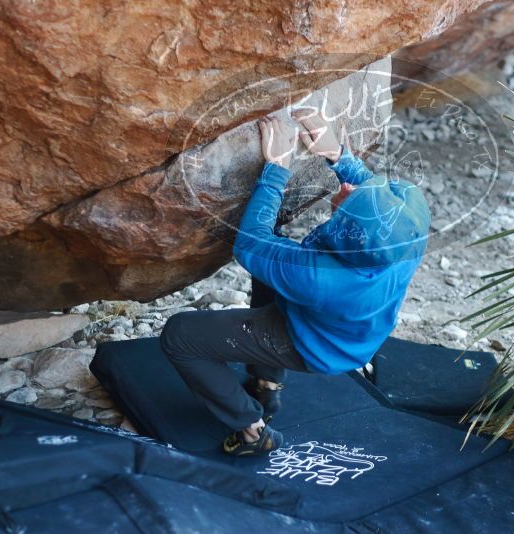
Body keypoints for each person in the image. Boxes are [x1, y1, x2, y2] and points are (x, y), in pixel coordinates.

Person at [160, 111, 430, 456]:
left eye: (349, 206)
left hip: (313, 344)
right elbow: (382, 205)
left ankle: (251, 430)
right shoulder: (406, 237)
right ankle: (266, 383)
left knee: (180, 335)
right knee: (274, 266)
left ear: (349, 235)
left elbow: (251, 243)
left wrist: (276, 169)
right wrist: (338, 155)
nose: (348, 188)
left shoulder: (320, 277)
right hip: (349, 327)